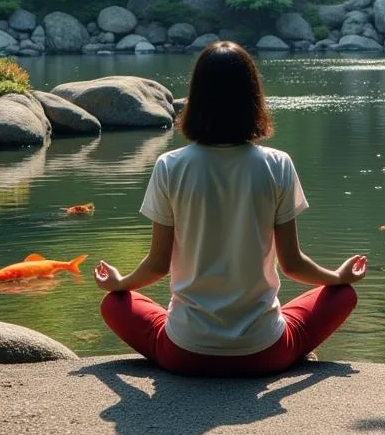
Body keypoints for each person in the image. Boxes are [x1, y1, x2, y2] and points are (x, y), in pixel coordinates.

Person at [95, 40, 366, 376]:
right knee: (342, 296)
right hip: (266, 352)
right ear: (253, 99)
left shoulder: (170, 165)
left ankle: (184, 336)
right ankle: (287, 345)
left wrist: (120, 284)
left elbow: (157, 265)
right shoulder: (277, 165)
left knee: (114, 304)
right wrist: (337, 277)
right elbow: (293, 265)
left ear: (196, 100)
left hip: (184, 353)